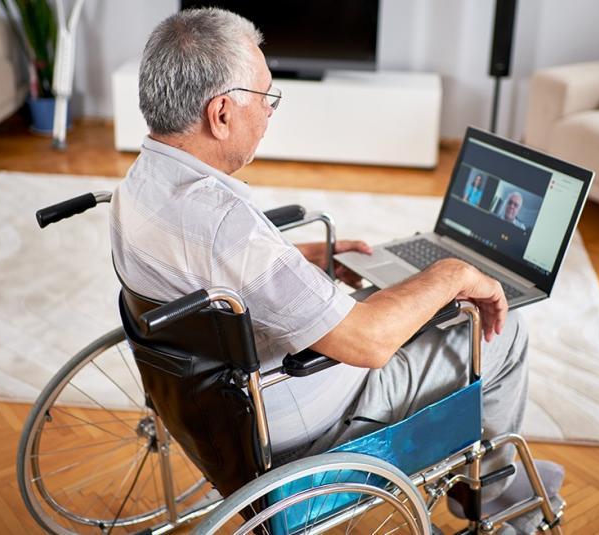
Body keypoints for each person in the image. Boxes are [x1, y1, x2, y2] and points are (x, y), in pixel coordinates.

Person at [111, 8, 561, 529]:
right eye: (265, 97)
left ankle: (494, 481)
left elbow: (205, 274)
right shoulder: (223, 222)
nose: (270, 111)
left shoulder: (137, 185)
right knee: (502, 329)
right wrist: (453, 274)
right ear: (221, 114)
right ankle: (492, 494)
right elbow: (367, 344)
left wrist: (298, 260)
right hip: (298, 416)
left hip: (211, 408)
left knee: (397, 298)